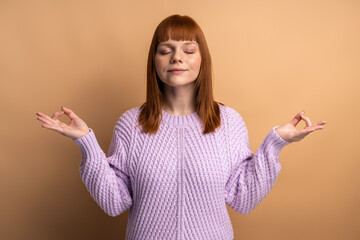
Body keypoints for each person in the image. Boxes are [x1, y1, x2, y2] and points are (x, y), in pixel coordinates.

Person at [35, 14, 326, 239]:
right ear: (155, 61)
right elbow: (113, 202)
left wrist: (276, 142)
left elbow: (243, 198)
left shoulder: (229, 123)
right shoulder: (130, 124)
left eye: (188, 49)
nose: (177, 57)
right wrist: (86, 142)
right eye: (166, 50)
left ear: (203, 61)